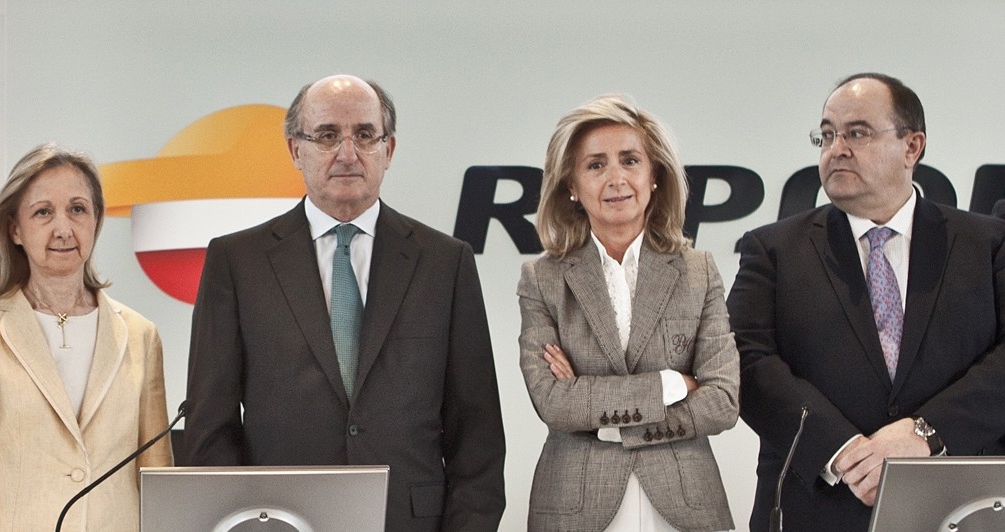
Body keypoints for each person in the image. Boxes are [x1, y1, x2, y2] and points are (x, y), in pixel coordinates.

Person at [183, 74, 506, 532]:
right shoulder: (236, 261)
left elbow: (478, 435)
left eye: (365, 135)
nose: (348, 153)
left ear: (388, 150)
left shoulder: (445, 262)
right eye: (328, 135)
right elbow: (209, 429)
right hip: (281, 524)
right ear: (296, 150)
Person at [728, 73, 1005, 531]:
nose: (836, 148)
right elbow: (746, 361)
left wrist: (925, 433)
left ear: (912, 147)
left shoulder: (987, 243)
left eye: (857, 133)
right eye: (827, 135)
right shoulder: (773, 250)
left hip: (960, 507)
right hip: (816, 508)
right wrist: (841, 452)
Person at [518, 94, 739, 532]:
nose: (616, 178)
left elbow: (722, 401)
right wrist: (672, 383)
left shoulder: (699, 271)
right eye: (596, 165)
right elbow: (554, 402)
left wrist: (607, 422)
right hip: (574, 507)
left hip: (686, 507)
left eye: (630, 160)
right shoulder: (542, 279)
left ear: (654, 175)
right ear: (572, 185)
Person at [0, 144, 172, 531]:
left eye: (77, 209)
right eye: (43, 212)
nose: (63, 229)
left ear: (96, 220)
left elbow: (157, 480)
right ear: (15, 229)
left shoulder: (141, 336)